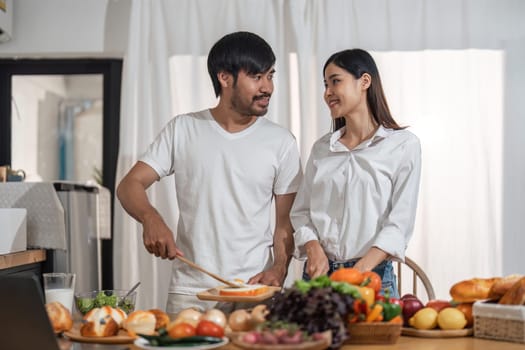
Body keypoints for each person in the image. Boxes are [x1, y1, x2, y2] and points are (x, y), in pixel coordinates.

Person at [117, 31, 302, 316]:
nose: (268, 87)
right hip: (191, 292)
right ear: (224, 78)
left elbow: (284, 224)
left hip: (255, 292)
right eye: (257, 77)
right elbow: (130, 184)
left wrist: (279, 269)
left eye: (270, 75)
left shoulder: (282, 142)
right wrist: (150, 218)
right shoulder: (183, 129)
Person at [290, 49, 421, 297]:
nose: (327, 92)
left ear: (364, 81)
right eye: (325, 84)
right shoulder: (321, 149)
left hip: (372, 279)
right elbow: (301, 211)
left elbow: (399, 222)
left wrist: (358, 271)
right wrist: (313, 247)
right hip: (318, 279)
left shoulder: (403, 146)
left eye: (335, 81)